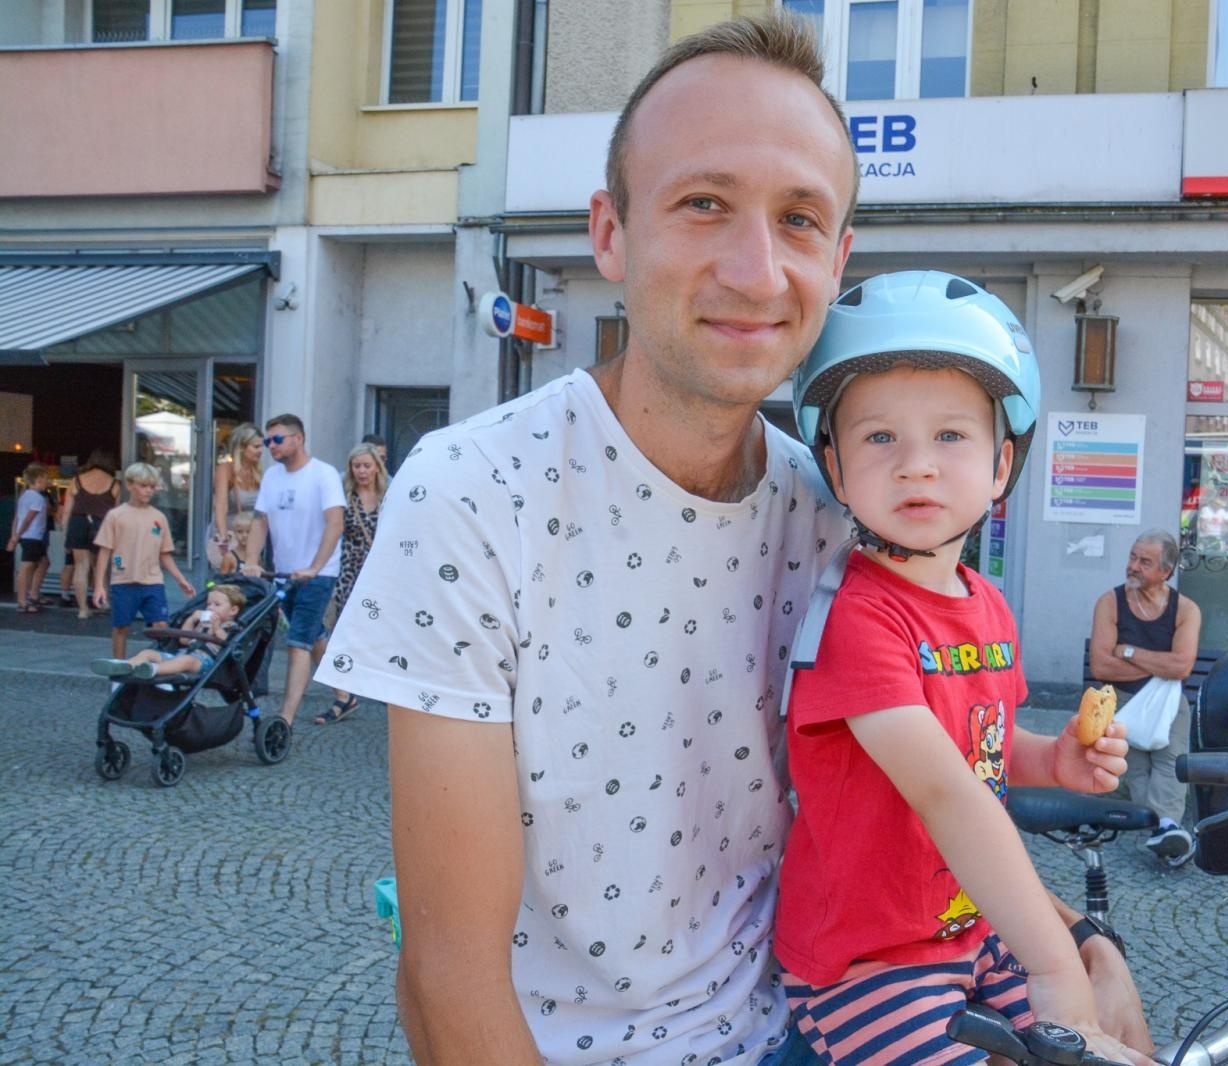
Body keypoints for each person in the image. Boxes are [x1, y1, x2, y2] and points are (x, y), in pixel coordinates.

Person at [315, 14, 859, 1064]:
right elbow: (448, 970)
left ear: (836, 260)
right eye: (703, 204)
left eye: (798, 220)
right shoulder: (474, 492)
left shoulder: (834, 516)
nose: (756, 271)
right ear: (609, 234)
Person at [775, 271, 1155, 1066]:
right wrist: (1056, 961)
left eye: (951, 435)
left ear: (1000, 463)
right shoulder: (859, 615)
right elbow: (945, 789)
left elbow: (982, 743)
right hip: (868, 962)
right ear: (836, 468)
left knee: (1126, 1050)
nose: (916, 464)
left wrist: (1052, 757)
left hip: (971, 927)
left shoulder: (984, 602)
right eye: (880, 437)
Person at [1089, 530, 1202, 867]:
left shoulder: (1185, 609)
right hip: (1122, 699)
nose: (1134, 566)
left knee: (1171, 761)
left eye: (1145, 561)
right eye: (1133, 557)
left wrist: (1127, 651)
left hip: (1168, 701)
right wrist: (1159, 666)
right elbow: (1101, 665)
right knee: (1137, 767)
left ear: (1166, 571)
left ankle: (1163, 827)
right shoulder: (1110, 602)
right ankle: (1166, 829)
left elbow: (1182, 665)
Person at [241, 414, 343, 729]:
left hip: (318, 574)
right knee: (313, 635)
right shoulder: (272, 477)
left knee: (298, 641)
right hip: (284, 574)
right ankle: (346, 695)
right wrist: (251, 559)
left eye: (277, 439)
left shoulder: (323, 475)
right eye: (268, 441)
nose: (270, 445)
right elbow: (260, 520)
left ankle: (285, 717)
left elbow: (335, 523)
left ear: (298, 439)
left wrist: (315, 566)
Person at [91, 462, 196, 659]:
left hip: (152, 581)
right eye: (143, 486)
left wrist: (180, 579)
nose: (149, 491)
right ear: (130, 485)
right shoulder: (116, 516)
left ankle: (162, 665)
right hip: (123, 581)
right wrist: (99, 586)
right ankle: (119, 667)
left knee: (161, 626)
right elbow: (104, 551)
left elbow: (165, 553)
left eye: (152, 486)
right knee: (121, 627)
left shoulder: (158, 517)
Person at [316, 441, 388, 725]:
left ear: (376, 468)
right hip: (349, 567)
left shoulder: (387, 495)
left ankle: (378, 680)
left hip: (379, 570)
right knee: (344, 626)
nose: (361, 471)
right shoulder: (344, 496)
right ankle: (346, 685)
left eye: (366, 466)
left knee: (379, 626)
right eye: (357, 466)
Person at [91, 584, 245, 679]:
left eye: (217, 605)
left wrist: (217, 628)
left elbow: (227, 641)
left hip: (204, 661)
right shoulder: (204, 624)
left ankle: (153, 670)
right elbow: (184, 640)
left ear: (233, 610)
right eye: (209, 604)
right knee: (148, 653)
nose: (210, 607)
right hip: (184, 654)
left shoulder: (230, 626)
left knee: (185, 662)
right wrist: (192, 619)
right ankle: (125, 666)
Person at [60, 449, 121, 620]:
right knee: (101, 566)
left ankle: (83, 609)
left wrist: (65, 535)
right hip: (103, 526)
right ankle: (103, 601)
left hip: (78, 524)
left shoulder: (76, 481)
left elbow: (66, 512)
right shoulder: (114, 484)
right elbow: (117, 514)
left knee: (81, 566)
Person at [209, 423, 265, 574]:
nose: (260, 451)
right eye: (255, 446)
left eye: (261, 446)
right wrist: (223, 538)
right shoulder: (226, 470)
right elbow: (220, 506)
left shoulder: (259, 473)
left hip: (251, 538)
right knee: (227, 584)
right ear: (241, 447)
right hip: (231, 537)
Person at [8, 463, 52, 613]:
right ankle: (23, 601)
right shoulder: (38, 499)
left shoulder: (24, 496)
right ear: (39, 479)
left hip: (28, 536)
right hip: (32, 536)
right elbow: (28, 519)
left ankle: (31, 595)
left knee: (43, 562)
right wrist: (17, 536)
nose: (48, 482)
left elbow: (17, 517)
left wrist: (15, 535)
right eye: (46, 479)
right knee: (26, 567)